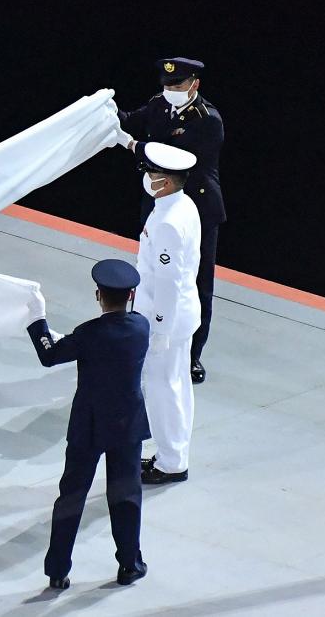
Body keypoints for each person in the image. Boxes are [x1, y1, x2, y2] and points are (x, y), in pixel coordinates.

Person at [26, 260, 150, 589]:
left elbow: (49, 354)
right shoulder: (141, 328)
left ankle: (57, 570)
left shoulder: (88, 335)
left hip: (89, 425)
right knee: (126, 496)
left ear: (98, 294)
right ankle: (129, 564)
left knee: (72, 496)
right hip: (126, 425)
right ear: (131, 295)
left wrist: (37, 319)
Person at [115, 57, 224, 383]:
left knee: (197, 282)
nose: (171, 91)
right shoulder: (159, 106)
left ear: (194, 85)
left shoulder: (208, 121)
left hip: (197, 207)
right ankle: (145, 338)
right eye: (167, 86)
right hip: (160, 200)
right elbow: (131, 119)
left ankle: (192, 355)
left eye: (177, 86)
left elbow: (174, 159)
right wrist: (104, 110)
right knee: (150, 270)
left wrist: (133, 145)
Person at [127, 142, 201, 485]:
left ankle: (171, 463)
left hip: (166, 319)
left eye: (152, 173)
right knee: (177, 385)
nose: (147, 177)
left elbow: (168, 283)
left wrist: (159, 330)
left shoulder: (169, 222)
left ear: (167, 181)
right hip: (180, 315)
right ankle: (174, 453)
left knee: (162, 389)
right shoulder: (182, 205)